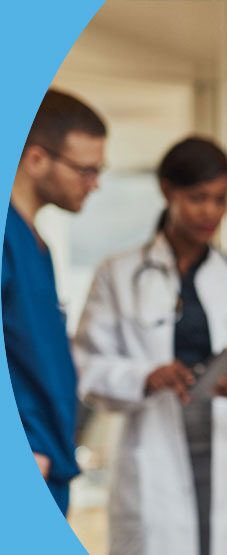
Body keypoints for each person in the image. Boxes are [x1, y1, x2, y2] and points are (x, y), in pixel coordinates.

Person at [73, 137, 227, 555]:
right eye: (197, 198)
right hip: (152, 457)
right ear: (168, 191)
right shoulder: (118, 275)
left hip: (226, 456)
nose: (210, 212)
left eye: (220, 199)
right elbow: (86, 368)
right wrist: (146, 377)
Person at [3, 88, 106, 514]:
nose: (95, 184)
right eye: (84, 170)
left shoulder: (36, 244)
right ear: (35, 159)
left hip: (49, 461)